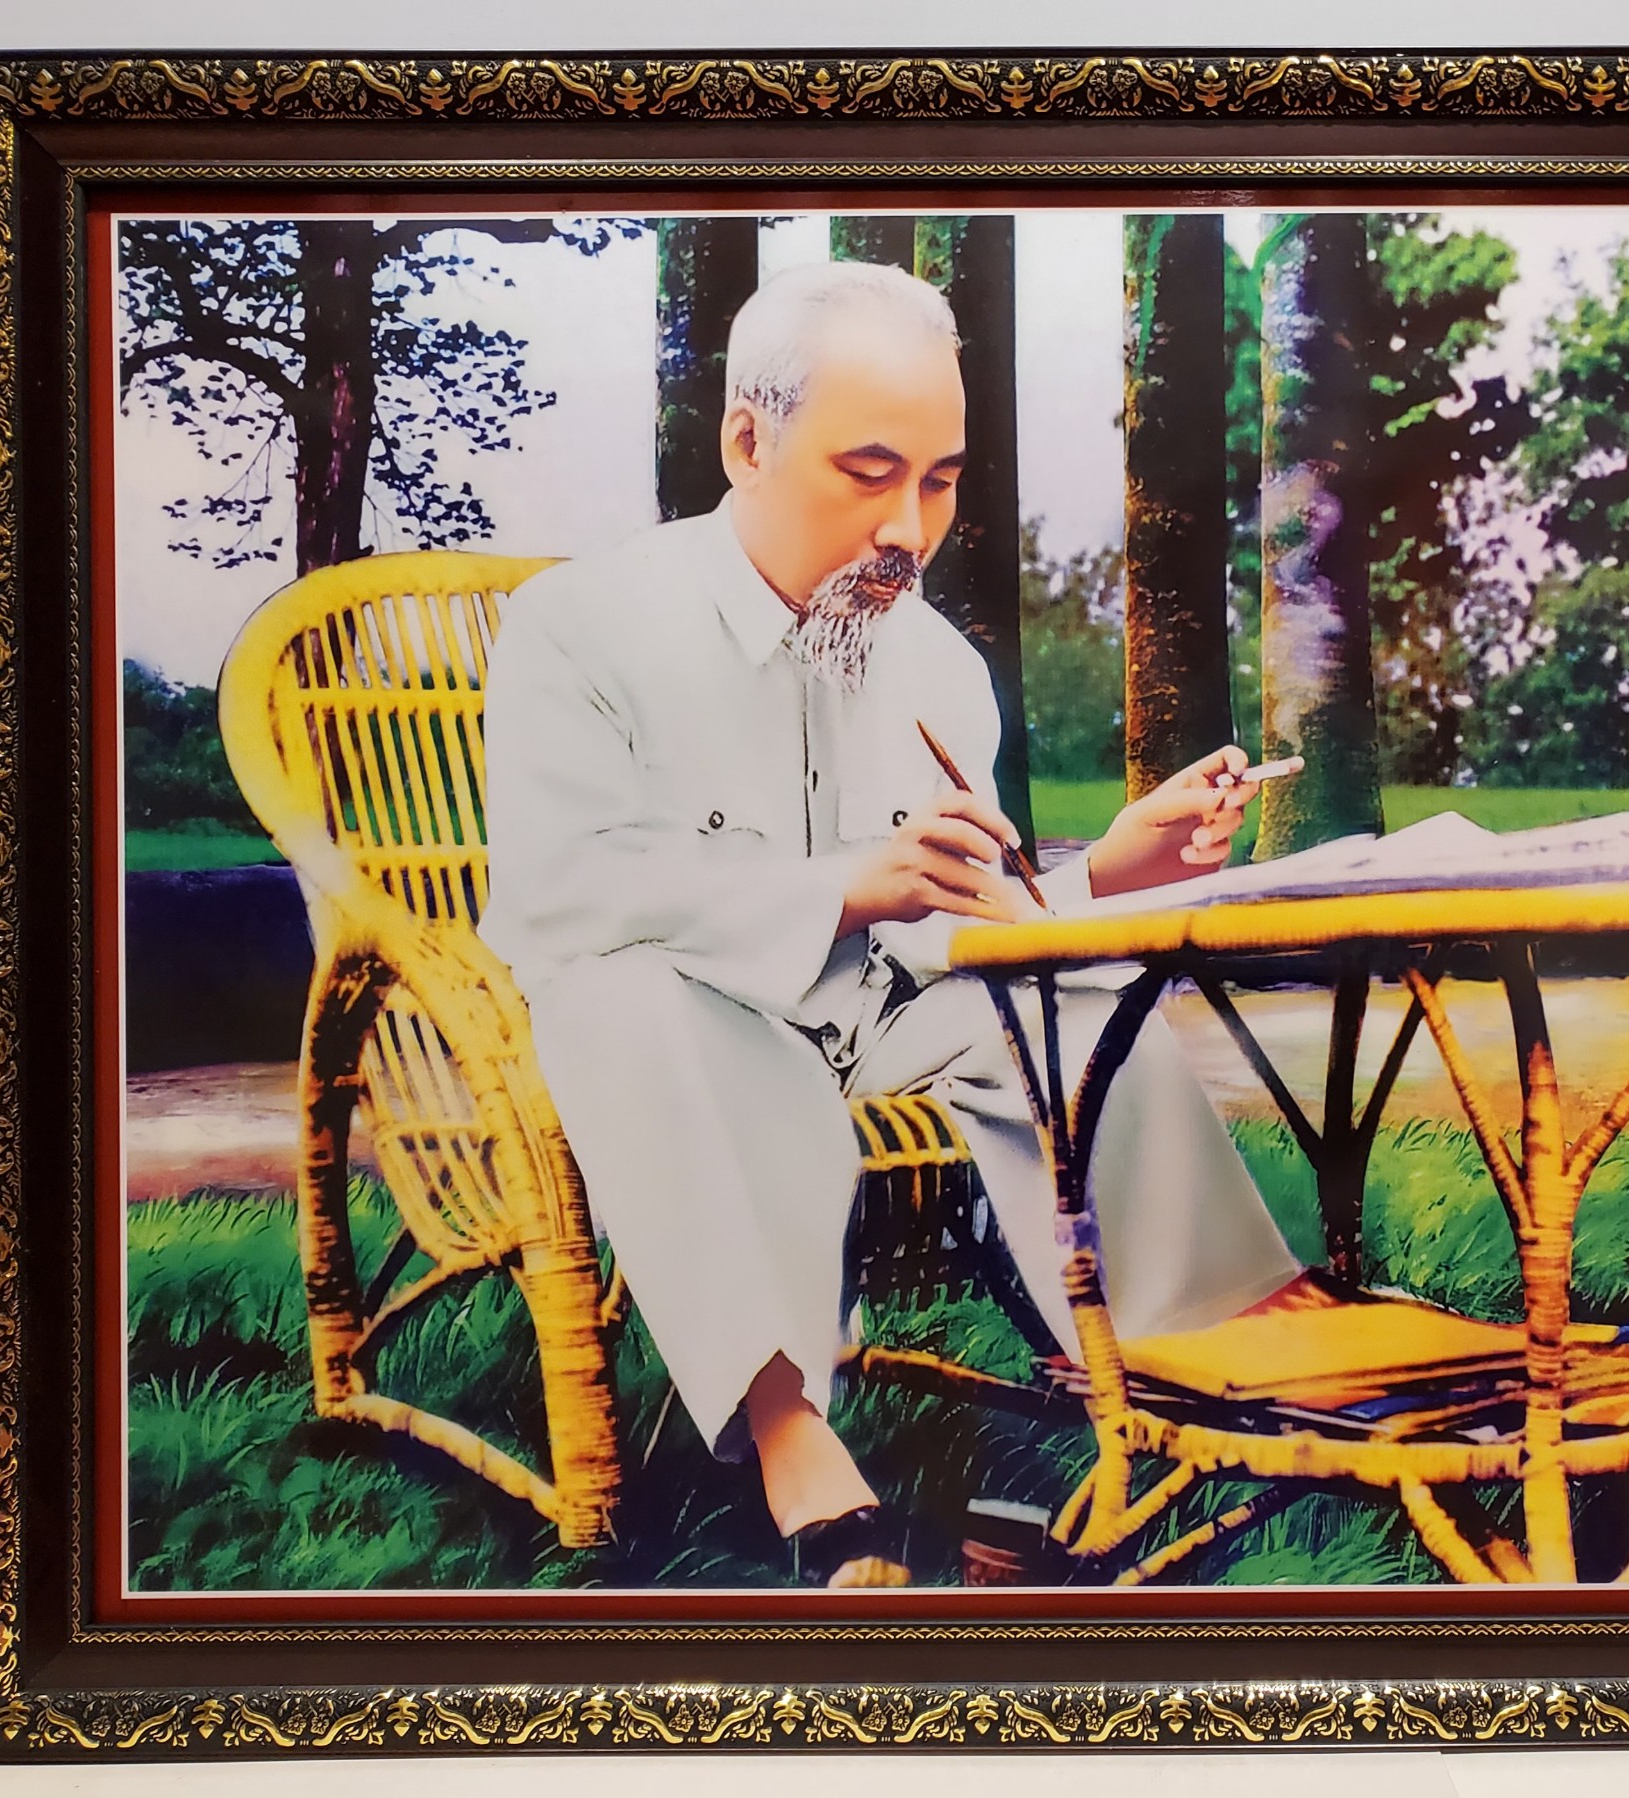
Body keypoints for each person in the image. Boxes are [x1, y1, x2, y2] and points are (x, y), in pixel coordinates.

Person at [479, 260, 1304, 1585]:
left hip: (874, 1020)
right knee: (629, 1001)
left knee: (1083, 1003)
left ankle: (1221, 1354)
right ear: (747, 443)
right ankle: (791, 1436)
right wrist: (849, 884)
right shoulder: (580, 631)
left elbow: (951, 919)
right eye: (869, 474)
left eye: (940, 480)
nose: (907, 530)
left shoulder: (934, 663)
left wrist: (1103, 875)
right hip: (679, 1026)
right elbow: (561, 892)